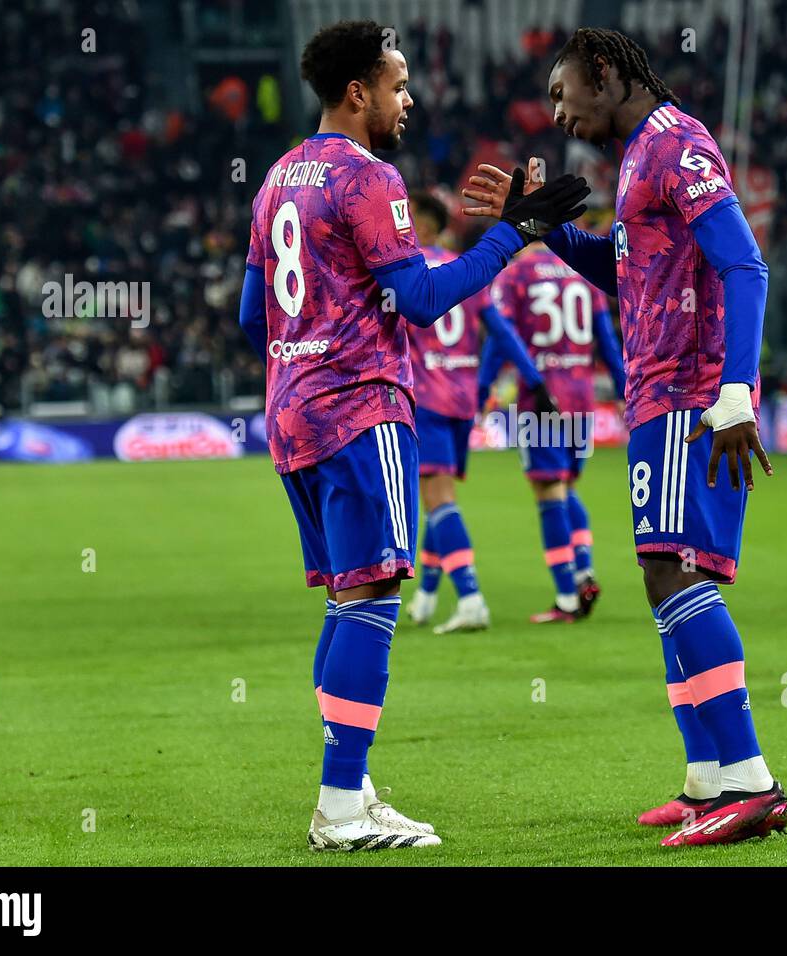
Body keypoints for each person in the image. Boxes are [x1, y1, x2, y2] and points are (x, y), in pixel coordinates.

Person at [238, 19, 588, 852]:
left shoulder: (277, 179)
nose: (409, 98)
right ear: (357, 93)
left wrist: (305, 355)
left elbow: (255, 315)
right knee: (373, 602)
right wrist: (516, 235)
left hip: (292, 412)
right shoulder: (371, 177)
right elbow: (425, 301)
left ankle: (348, 789)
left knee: (345, 597)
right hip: (361, 411)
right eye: (397, 85)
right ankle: (341, 809)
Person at [461, 28, 787, 848]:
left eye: (565, 95)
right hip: (656, 393)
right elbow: (629, 271)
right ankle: (708, 778)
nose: (562, 116)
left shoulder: (675, 144)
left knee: (671, 571)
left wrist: (736, 392)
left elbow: (745, 266)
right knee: (665, 574)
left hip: (690, 393)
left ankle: (749, 782)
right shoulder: (642, 154)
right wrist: (545, 231)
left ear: (605, 74)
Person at [403, 191, 548, 633]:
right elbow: (502, 333)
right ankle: (427, 596)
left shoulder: (404, 271)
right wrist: (534, 380)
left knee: (438, 499)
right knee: (439, 496)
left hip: (424, 397)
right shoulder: (464, 271)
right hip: (462, 400)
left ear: (422, 225)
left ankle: (470, 599)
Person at [480, 232, 626, 622]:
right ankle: (585, 571)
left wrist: (483, 389)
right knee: (566, 485)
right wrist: (625, 389)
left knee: (548, 490)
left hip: (541, 393)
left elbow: (500, 338)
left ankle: (566, 596)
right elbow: (607, 339)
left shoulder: (516, 274)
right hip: (581, 394)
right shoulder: (580, 273)